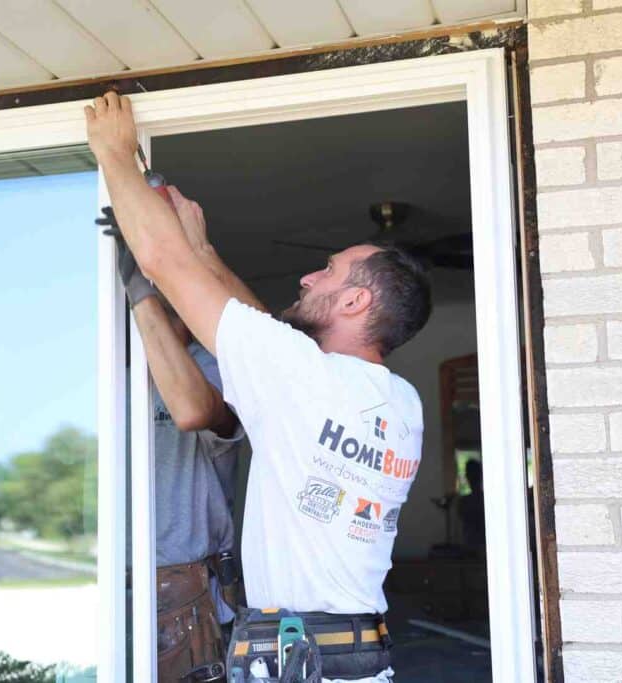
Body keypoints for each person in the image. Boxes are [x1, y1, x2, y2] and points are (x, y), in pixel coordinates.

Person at [85, 92, 432, 680]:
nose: (307, 275)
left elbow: (161, 262)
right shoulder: (399, 401)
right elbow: (272, 341)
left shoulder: (306, 378)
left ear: (354, 301)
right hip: (349, 655)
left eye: (327, 271)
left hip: (306, 660)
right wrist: (202, 249)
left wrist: (115, 155)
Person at [101, 208, 248, 681]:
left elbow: (197, 411)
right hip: (108, 588)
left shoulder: (215, 368)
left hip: (184, 597)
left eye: (163, 293)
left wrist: (142, 281)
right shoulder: (109, 378)